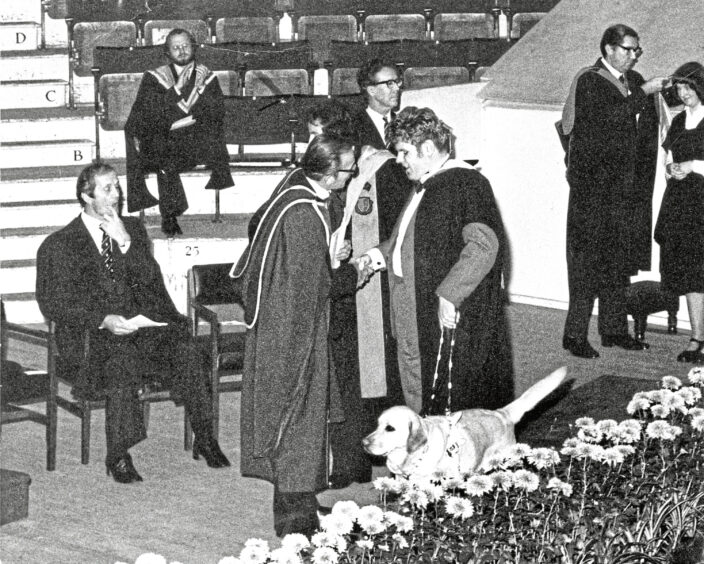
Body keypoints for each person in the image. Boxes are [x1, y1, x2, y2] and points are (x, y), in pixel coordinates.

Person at [35, 162, 229, 484]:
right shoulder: (60, 244)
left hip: (138, 331)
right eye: (107, 188)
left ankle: (204, 436)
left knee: (186, 347)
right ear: (86, 196)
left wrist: (125, 243)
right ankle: (118, 454)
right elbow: (53, 303)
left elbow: (152, 285)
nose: (117, 194)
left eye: (118, 186)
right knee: (119, 356)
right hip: (90, 339)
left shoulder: (132, 231)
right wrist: (102, 319)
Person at [232, 135, 361, 537]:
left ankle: (303, 502)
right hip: (292, 334)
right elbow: (316, 285)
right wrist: (355, 272)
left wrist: (329, 255)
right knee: (297, 420)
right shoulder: (303, 214)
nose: (353, 172)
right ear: (327, 172)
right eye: (348, 168)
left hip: (284, 322)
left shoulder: (297, 189)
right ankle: (293, 523)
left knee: (304, 419)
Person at [360, 107, 514, 416]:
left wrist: (450, 294)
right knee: (417, 380)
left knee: (446, 390)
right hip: (412, 304)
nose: (399, 161)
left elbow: (484, 245)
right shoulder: (428, 184)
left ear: (427, 149)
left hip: (440, 308)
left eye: (404, 153)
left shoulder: (466, 184)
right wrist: (378, 254)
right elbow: (410, 237)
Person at [306, 100, 411, 489]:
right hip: (339, 283)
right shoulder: (327, 170)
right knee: (343, 376)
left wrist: (366, 259)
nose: (310, 143)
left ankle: (381, 457)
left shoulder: (382, 170)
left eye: (317, 135)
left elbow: (401, 229)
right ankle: (349, 462)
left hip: (372, 289)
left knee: (374, 374)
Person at [560, 24, 670, 358]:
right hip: (592, 193)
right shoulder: (590, 80)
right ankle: (574, 336)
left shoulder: (635, 82)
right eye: (628, 49)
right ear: (608, 49)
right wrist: (644, 93)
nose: (634, 56)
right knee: (585, 266)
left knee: (617, 264)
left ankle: (613, 330)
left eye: (637, 50)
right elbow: (605, 120)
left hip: (625, 191)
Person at [124, 28, 234, 237]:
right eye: (176, 47)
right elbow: (147, 117)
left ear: (193, 47)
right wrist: (176, 90)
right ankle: (169, 215)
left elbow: (214, 114)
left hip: (197, 144)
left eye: (185, 45)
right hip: (165, 145)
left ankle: (172, 212)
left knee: (170, 147)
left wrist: (177, 117)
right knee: (162, 151)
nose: (181, 51)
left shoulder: (207, 77)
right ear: (168, 52)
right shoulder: (154, 78)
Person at [654, 61, 704, 364]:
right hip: (683, 204)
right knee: (691, 272)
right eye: (680, 88)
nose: (684, 93)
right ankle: (697, 336)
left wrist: (694, 166)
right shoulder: (676, 121)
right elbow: (669, 160)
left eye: (689, 87)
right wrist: (672, 169)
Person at [354, 58, 403, 149]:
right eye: (390, 83)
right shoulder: (353, 127)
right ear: (372, 90)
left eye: (397, 82)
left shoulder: (403, 123)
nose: (397, 88)